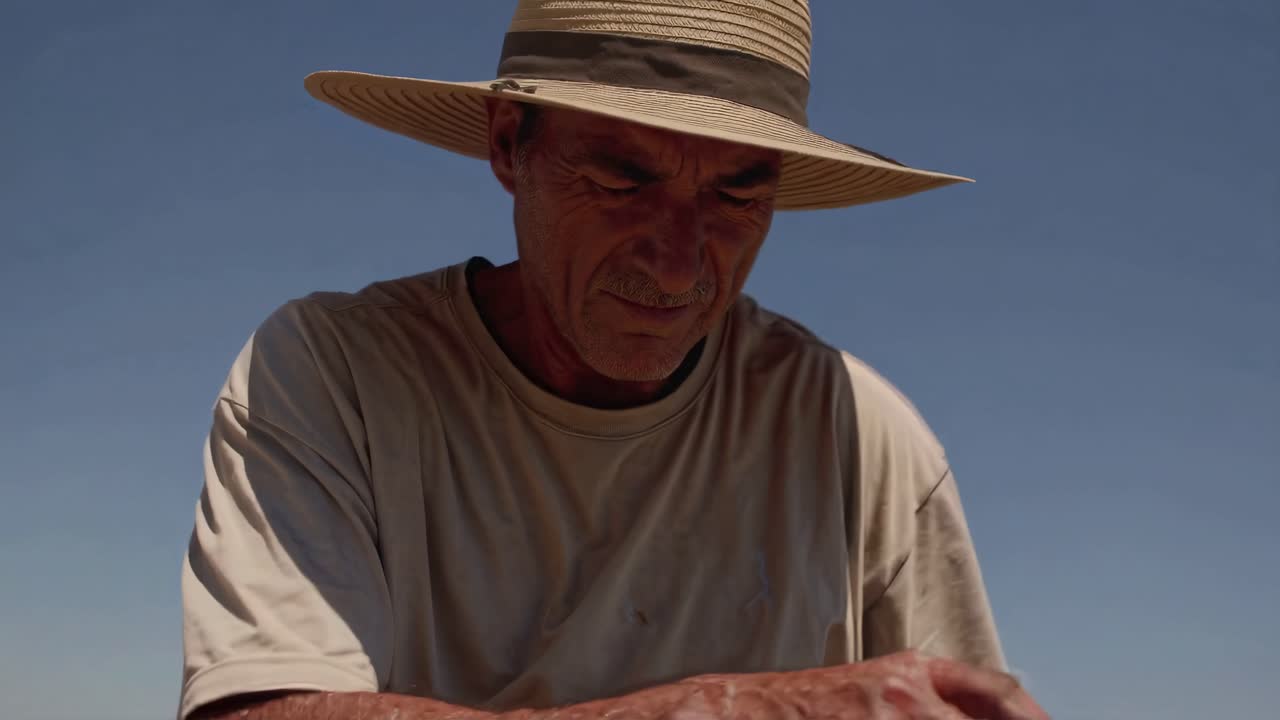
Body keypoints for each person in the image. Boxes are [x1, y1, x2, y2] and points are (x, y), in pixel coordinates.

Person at [179, 2, 1048, 719]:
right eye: (622, 182)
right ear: (509, 144)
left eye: (736, 196)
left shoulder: (857, 437)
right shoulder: (339, 377)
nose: (676, 264)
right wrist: (728, 710)